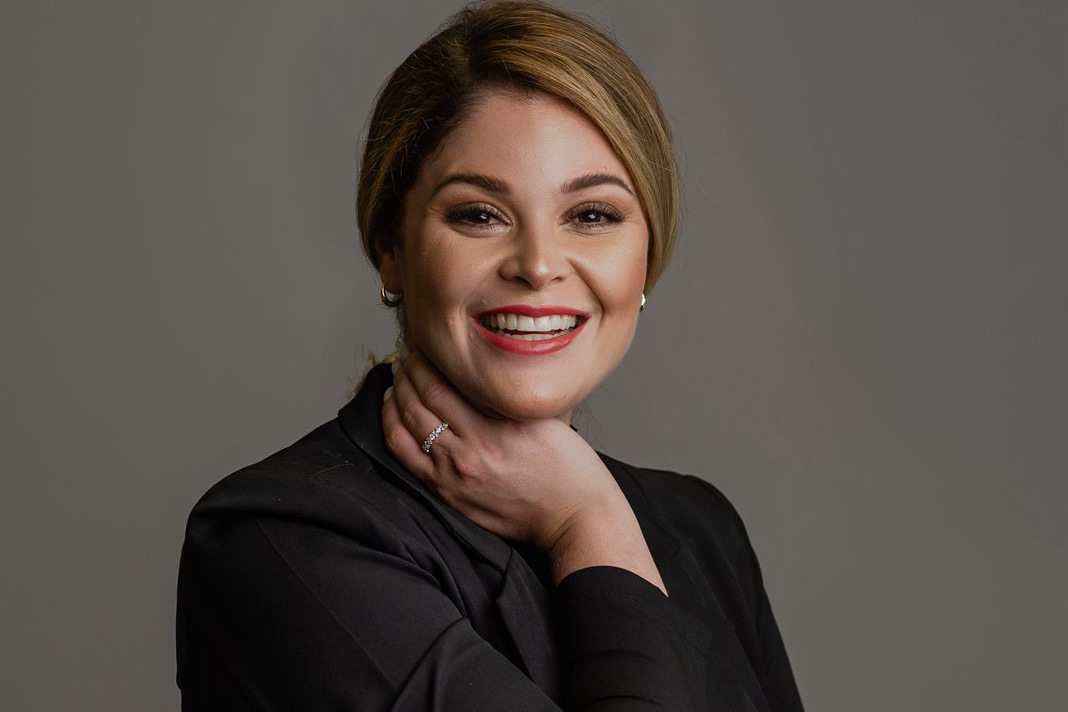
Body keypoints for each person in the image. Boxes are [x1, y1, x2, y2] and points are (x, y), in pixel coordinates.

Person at [176, 2, 804, 710]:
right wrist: (588, 524)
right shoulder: (281, 537)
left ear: (647, 256)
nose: (537, 265)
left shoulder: (702, 529)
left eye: (592, 215)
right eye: (479, 214)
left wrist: (590, 509)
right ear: (390, 248)